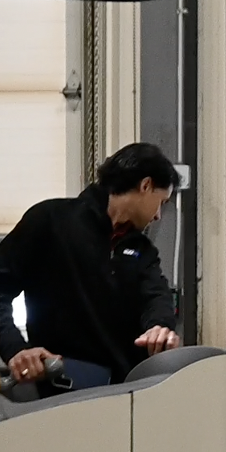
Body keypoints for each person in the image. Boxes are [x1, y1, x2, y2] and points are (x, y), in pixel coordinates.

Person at [0, 142, 184, 389]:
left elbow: (156, 296)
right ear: (145, 185)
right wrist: (16, 349)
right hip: (63, 393)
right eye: (161, 202)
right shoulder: (50, 221)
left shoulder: (141, 249)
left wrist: (159, 327)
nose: (158, 215)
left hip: (128, 395)